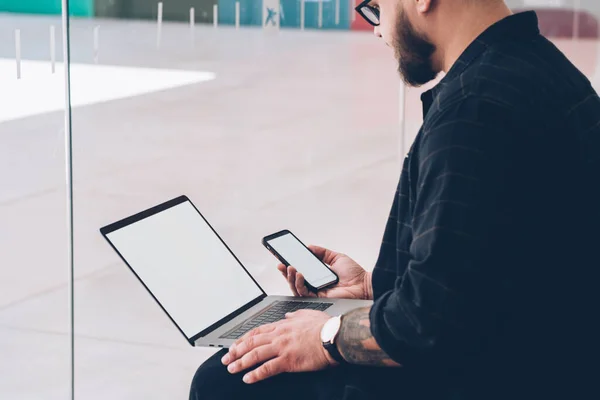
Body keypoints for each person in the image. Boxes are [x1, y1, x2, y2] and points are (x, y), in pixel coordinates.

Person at [190, 1, 600, 399]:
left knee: (223, 379)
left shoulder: (475, 110)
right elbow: (489, 270)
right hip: (544, 357)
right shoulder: (545, 69)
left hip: (496, 376)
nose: (378, 27)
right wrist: (374, 286)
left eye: (375, 6)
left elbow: (428, 326)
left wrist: (324, 336)